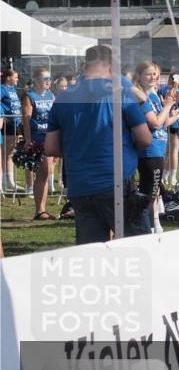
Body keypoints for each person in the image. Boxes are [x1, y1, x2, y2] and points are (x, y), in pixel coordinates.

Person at [44, 45, 153, 244]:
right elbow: (145, 138)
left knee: (92, 255)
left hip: (80, 186)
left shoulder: (62, 98)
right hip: (116, 184)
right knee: (138, 247)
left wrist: (78, 151)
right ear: (111, 65)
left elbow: (50, 147)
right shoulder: (120, 94)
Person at [134, 62, 179, 233]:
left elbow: (164, 122)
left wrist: (177, 114)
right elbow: (155, 124)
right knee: (150, 192)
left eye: (155, 74)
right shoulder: (143, 97)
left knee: (154, 191)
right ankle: (147, 226)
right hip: (150, 151)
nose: (154, 77)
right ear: (140, 77)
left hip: (158, 149)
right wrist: (168, 106)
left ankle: (154, 223)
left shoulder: (155, 95)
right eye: (149, 74)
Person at [21, 68, 56, 219]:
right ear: (36, 80)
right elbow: (26, 120)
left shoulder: (50, 95)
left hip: (49, 137)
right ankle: (40, 210)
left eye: (49, 78)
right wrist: (28, 140)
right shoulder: (29, 96)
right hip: (37, 139)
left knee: (46, 173)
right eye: (45, 78)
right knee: (43, 172)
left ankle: (42, 209)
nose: (48, 81)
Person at [1, 68, 22, 192]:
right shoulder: (2, 89)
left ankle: (10, 181)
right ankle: (4, 181)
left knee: (11, 153)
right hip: (7, 126)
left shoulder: (13, 90)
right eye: (16, 77)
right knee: (5, 153)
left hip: (16, 124)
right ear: (8, 78)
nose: (17, 79)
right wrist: (2, 116)